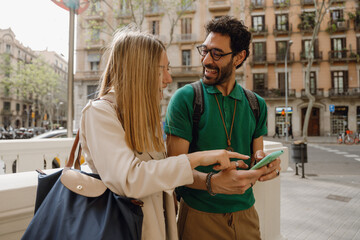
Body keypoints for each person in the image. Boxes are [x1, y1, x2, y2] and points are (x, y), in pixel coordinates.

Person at [79, 27, 266, 240]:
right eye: (164, 69)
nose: (169, 78)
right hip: (125, 230)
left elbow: (160, 173)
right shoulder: (99, 113)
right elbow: (130, 179)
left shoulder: (142, 117)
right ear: (141, 69)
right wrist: (201, 158)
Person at [165, 16, 281, 240]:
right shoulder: (185, 99)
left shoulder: (257, 104)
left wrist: (265, 165)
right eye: (204, 51)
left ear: (239, 57)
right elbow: (172, 169)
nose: (206, 60)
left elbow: (255, 157)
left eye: (216, 53)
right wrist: (212, 183)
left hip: (247, 216)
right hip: (199, 218)